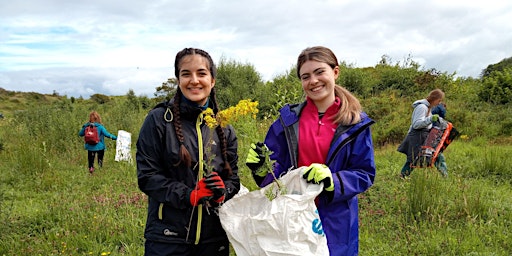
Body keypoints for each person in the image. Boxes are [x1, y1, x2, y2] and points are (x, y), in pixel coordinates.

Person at [246, 46, 376, 256]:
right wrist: (262, 168)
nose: (313, 81)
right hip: (293, 218)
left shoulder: (354, 123)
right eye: (305, 76)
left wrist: (332, 180)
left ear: (335, 72)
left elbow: (364, 173)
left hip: (336, 220)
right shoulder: (287, 121)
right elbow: (276, 178)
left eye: (319, 72)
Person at [136, 47, 240, 256]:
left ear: (212, 81)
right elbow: (147, 177)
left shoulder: (224, 128)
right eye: (186, 74)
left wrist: (223, 192)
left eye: (201, 73)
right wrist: (188, 195)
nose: (194, 80)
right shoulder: (158, 120)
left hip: (214, 240)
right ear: (178, 80)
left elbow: (234, 180)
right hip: (168, 239)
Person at [397, 89, 445, 178]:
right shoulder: (422, 107)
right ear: (434, 98)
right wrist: (430, 119)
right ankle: (402, 176)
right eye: (439, 100)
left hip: (424, 135)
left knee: (436, 154)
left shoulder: (428, 108)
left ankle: (445, 176)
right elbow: (416, 124)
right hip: (417, 136)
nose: (439, 103)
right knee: (413, 158)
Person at [431, 102, 448, 176]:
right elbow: (443, 114)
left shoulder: (431, 107)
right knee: (437, 153)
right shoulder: (440, 107)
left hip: (431, 129)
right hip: (436, 130)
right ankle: (444, 173)